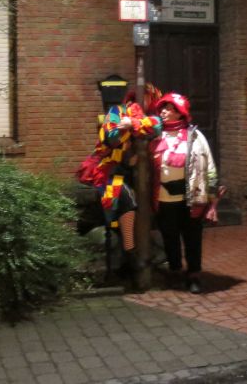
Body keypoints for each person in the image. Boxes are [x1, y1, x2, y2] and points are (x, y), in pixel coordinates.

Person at [79, 85, 162, 276]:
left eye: (148, 98)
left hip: (137, 176)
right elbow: (110, 136)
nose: (144, 102)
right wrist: (130, 128)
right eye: (142, 97)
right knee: (123, 200)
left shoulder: (151, 117)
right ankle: (129, 253)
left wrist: (132, 123)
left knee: (140, 210)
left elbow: (156, 126)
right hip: (109, 171)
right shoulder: (116, 112)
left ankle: (132, 256)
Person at [150, 92, 225, 294]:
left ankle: (194, 275)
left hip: (191, 198)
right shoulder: (154, 135)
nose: (163, 112)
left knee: (193, 238)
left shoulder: (196, 137)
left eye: (168, 109)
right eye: (162, 108)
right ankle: (175, 271)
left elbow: (209, 167)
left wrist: (212, 200)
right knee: (170, 237)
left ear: (180, 112)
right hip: (164, 197)